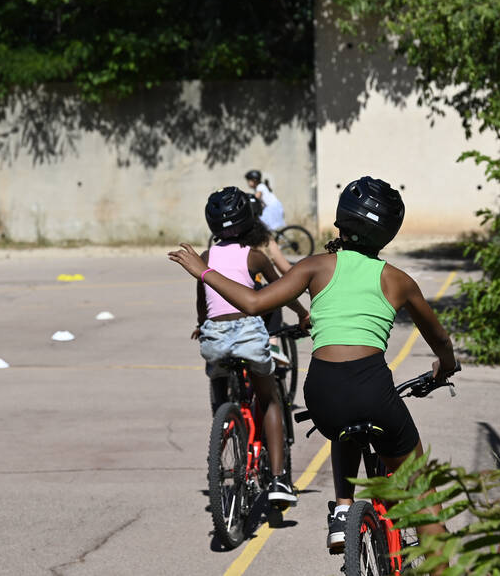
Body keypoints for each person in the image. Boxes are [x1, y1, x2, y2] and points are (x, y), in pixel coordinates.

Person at [170, 176, 459, 558]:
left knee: (342, 426)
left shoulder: (315, 266)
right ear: (388, 233)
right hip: (372, 389)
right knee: (422, 490)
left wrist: (203, 270)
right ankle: (441, 565)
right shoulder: (398, 280)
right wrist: (445, 367)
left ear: (342, 220)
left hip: (323, 392)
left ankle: (342, 509)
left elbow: (255, 304)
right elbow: (440, 340)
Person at [194, 186, 309, 508]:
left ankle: (224, 422)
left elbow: (202, 303)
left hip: (214, 336)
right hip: (247, 333)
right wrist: (303, 315)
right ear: (248, 219)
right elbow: (282, 290)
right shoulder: (255, 255)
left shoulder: (206, 258)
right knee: (270, 398)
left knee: (218, 378)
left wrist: (200, 325)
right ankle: (277, 480)